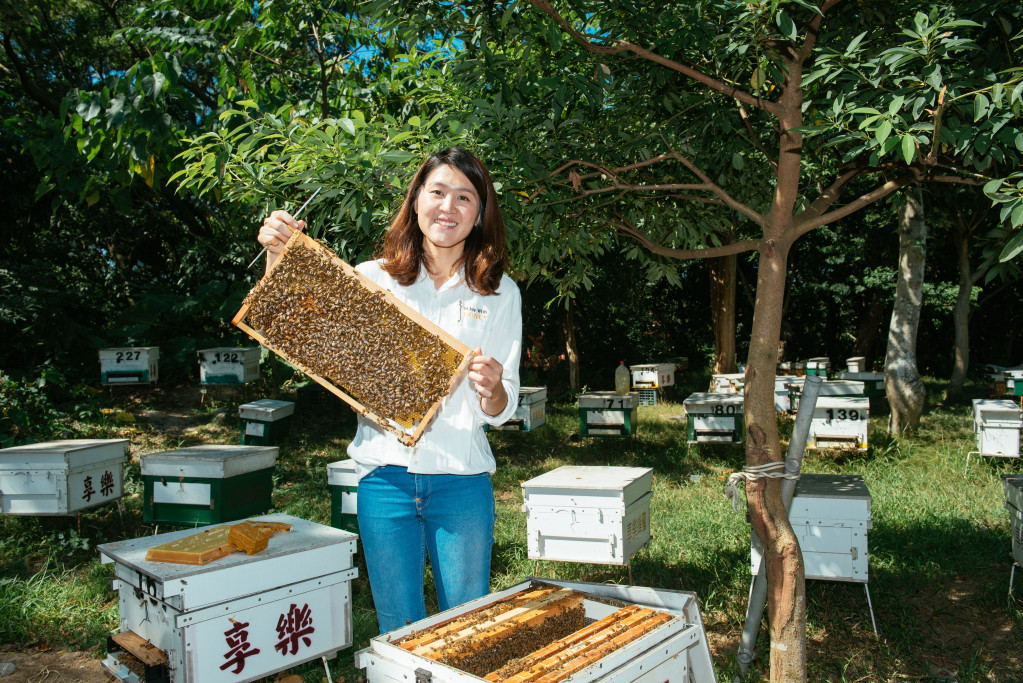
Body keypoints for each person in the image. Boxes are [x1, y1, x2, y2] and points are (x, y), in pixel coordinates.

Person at [257, 147, 522, 633]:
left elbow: (504, 407)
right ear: (416, 199)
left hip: (461, 482)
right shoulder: (372, 278)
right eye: (438, 192)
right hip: (385, 481)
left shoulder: (501, 293)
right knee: (398, 627)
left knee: (468, 627)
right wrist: (279, 255)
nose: (449, 206)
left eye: (465, 197)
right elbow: (298, 329)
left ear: (481, 212)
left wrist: (494, 390)